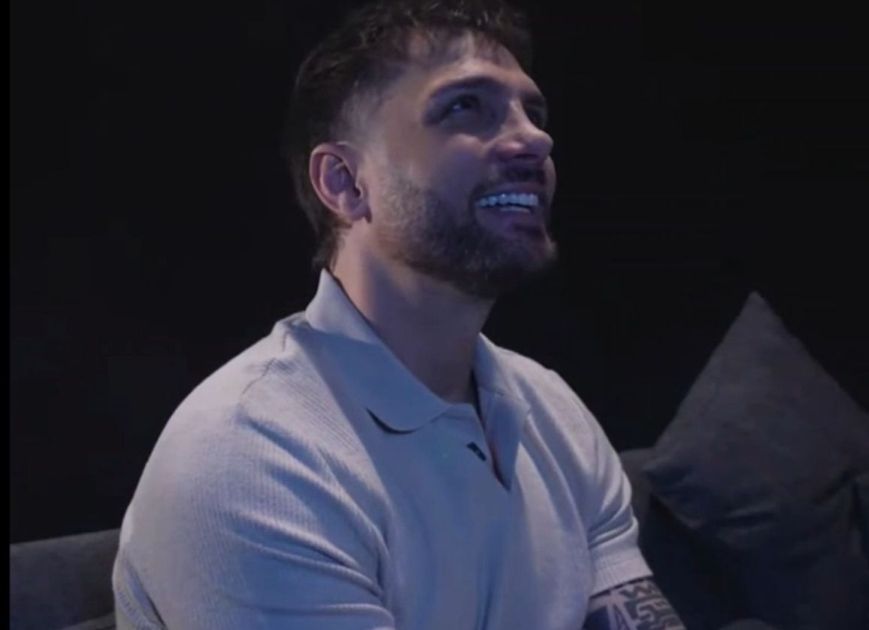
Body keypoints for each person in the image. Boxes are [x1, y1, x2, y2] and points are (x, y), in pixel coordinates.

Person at [110, 1, 685, 628]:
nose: (535, 139)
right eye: (465, 106)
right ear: (345, 183)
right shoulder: (253, 458)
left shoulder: (553, 411)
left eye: (534, 113)